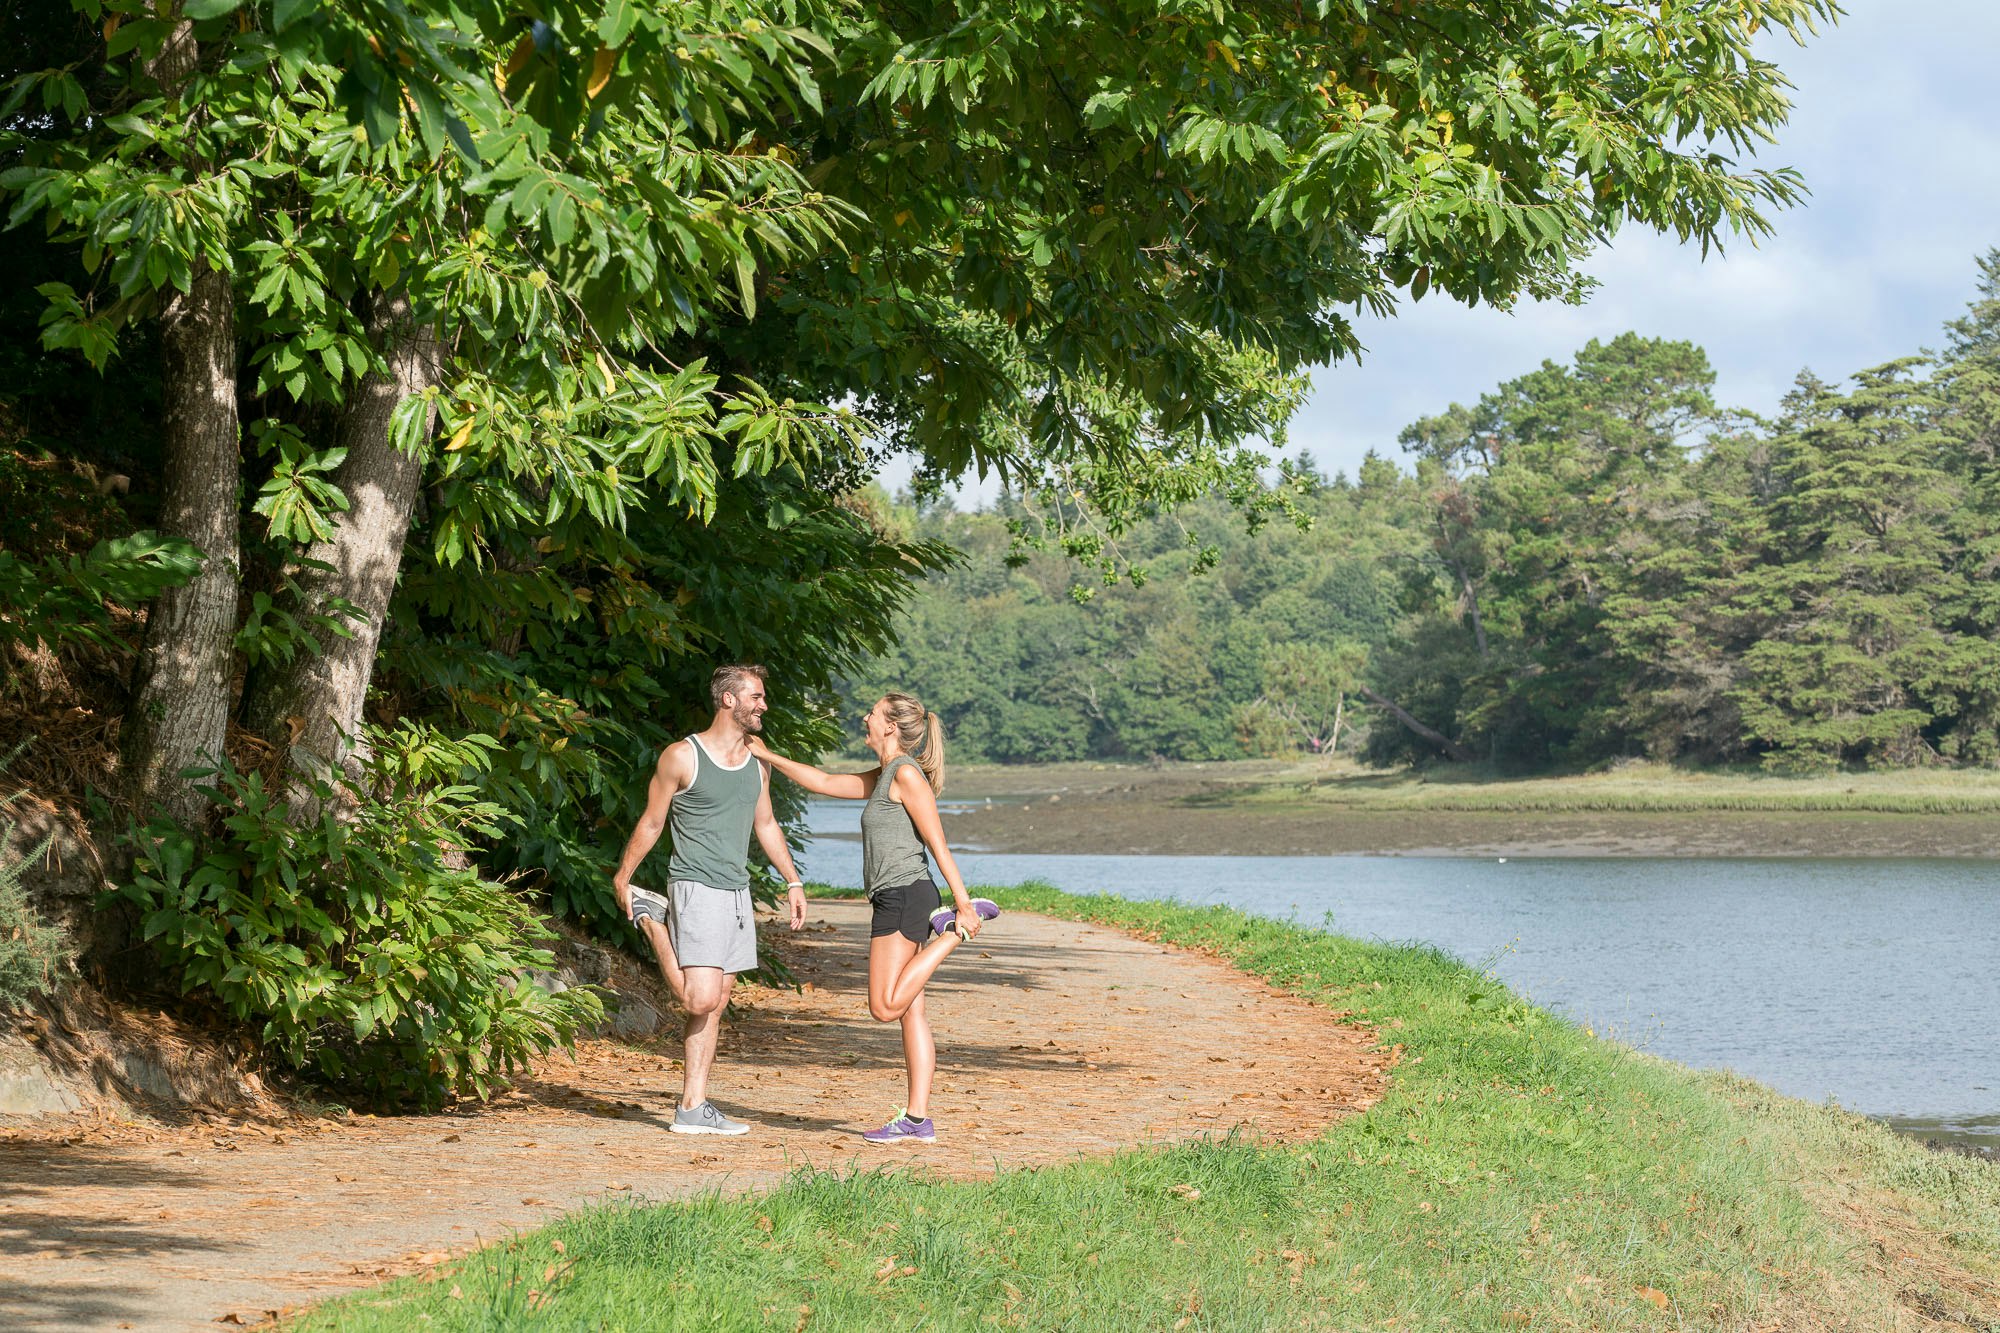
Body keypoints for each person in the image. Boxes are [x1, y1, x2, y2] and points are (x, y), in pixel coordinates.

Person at [748, 692, 998, 1145]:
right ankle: (918, 1120)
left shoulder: (905, 773)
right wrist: (767, 755)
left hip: (904, 896)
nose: (864, 717)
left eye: (873, 713)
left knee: (885, 1007)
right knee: (912, 1011)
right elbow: (823, 781)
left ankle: (955, 931)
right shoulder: (884, 775)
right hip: (903, 896)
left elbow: (937, 842)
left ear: (890, 726)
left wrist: (962, 904)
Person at [610, 663, 808, 1136]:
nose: (763, 705)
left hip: (737, 892)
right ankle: (653, 920)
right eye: (756, 697)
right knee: (698, 998)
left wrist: (793, 881)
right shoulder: (683, 756)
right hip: (694, 886)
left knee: (717, 1002)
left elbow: (766, 825)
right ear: (728, 700)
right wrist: (624, 876)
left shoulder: (758, 762)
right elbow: (653, 822)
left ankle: (692, 1107)